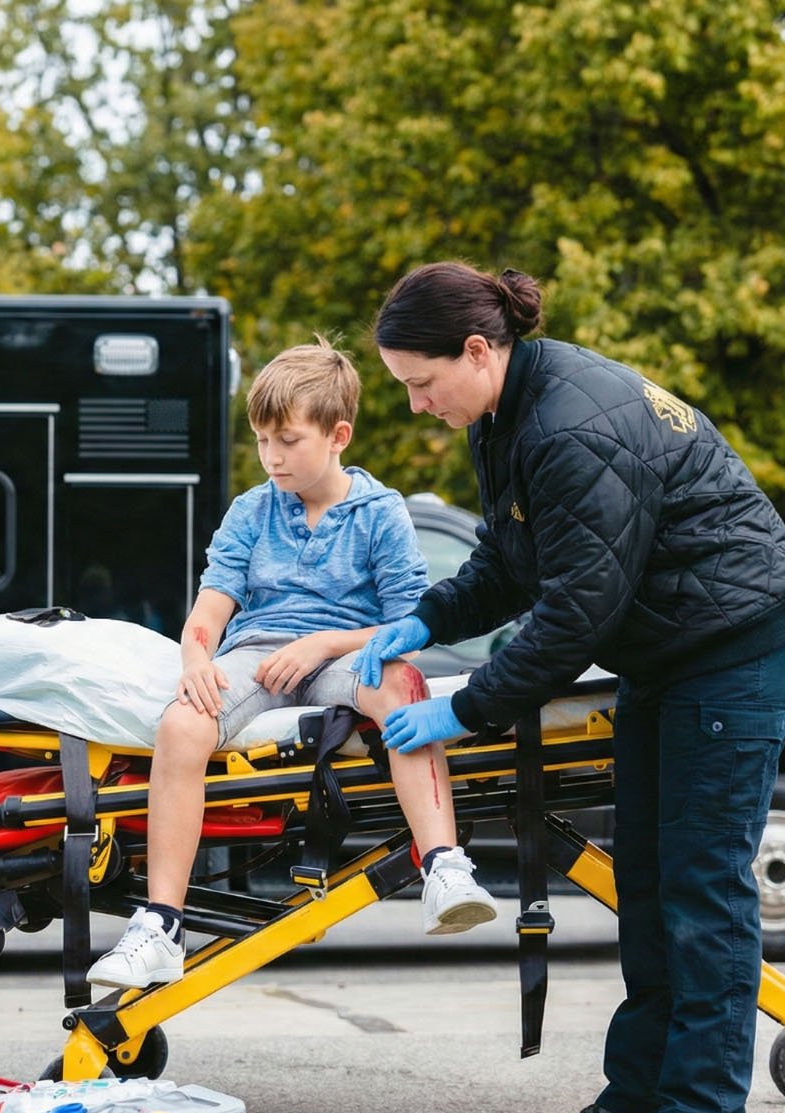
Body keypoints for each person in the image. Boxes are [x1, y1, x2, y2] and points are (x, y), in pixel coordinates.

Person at [357, 262, 785, 1113]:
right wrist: (424, 619)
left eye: (420, 383)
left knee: (701, 892)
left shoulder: (568, 427)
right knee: (643, 886)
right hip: (670, 655)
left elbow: (573, 616)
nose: (416, 405)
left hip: (735, 652)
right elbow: (506, 564)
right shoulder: (506, 414)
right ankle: (637, 1102)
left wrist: (466, 710)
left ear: (478, 350)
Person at [87, 339, 497, 991]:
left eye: (287, 440)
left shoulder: (381, 512)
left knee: (401, 680)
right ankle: (161, 926)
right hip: (254, 657)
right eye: (262, 442)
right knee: (181, 724)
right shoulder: (252, 511)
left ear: (338, 435)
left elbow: (408, 629)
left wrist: (323, 645)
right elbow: (210, 609)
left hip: (348, 655)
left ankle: (444, 866)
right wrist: (196, 655)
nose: (272, 458)